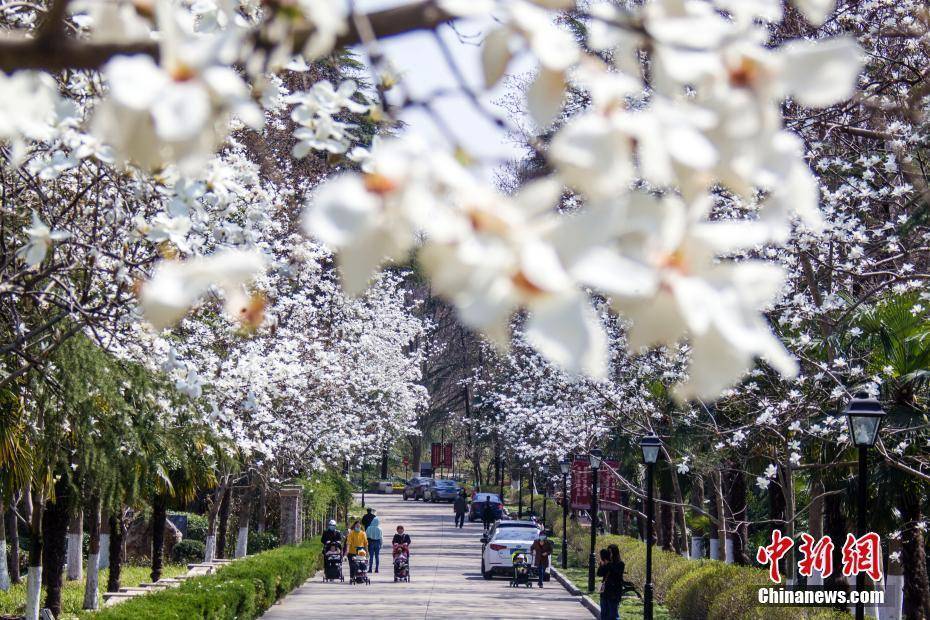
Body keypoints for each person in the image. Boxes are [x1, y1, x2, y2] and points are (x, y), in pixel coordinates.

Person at [596, 545, 625, 620]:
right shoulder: (606, 563)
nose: (609, 554)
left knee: (613, 615)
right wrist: (602, 565)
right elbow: (599, 573)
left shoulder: (620, 564)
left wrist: (608, 563)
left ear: (615, 553)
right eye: (608, 552)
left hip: (614, 593)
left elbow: (616, 573)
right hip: (604, 591)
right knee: (604, 614)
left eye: (610, 552)